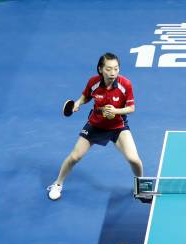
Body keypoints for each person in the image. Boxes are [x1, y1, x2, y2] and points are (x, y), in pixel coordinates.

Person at [48, 52, 143, 200]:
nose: (113, 73)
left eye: (116, 69)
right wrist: (77, 104)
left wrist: (116, 111)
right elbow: (86, 96)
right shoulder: (93, 82)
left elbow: (131, 108)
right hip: (96, 125)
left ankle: (141, 185)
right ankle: (57, 184)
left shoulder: (126, 85)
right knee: (74, 157)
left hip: (118, 127)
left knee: (134, 159)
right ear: (100, 69)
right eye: (109, 69)